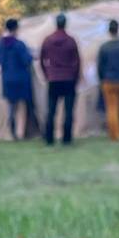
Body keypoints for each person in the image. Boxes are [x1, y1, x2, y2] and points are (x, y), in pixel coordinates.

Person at [39, 12, 81, 144]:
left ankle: (49, 139)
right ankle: (66, 139)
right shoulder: (71, 41)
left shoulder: (47, 40)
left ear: (56, 24)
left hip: (53, 79)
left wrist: (47, 74)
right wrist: (76, 77)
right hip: (69, 79)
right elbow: (77, 61)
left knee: (51, 110)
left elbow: (41, 60)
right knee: (68, 111)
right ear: (65, 24)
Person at [0, 18, 35, 140]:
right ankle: (21, 133)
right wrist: (32, 55)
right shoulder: (19, 44)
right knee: (22, 107)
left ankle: (12, 130)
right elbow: (27, 60)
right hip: (21, 79)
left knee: (11, 106)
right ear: (16, 29)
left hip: (7, 79)